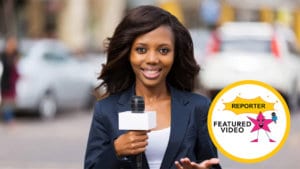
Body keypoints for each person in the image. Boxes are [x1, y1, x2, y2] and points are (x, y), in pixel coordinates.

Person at [84, 5, 221, 169]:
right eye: (141, 50)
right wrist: (116, 151)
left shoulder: (199, 107)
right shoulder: (106, 110)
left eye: (163, 50)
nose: (152, 59)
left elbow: (212, 164)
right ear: (128, 53)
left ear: (175, 54)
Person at [0, 36, 19, 124]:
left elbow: (16, 68)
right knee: (6, 99)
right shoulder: (4, 55)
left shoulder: (14, 54)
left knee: (10, 100)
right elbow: (6, 66)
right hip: (5, 80)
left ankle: (9, 117)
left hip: (12, 81)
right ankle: (8, 118)